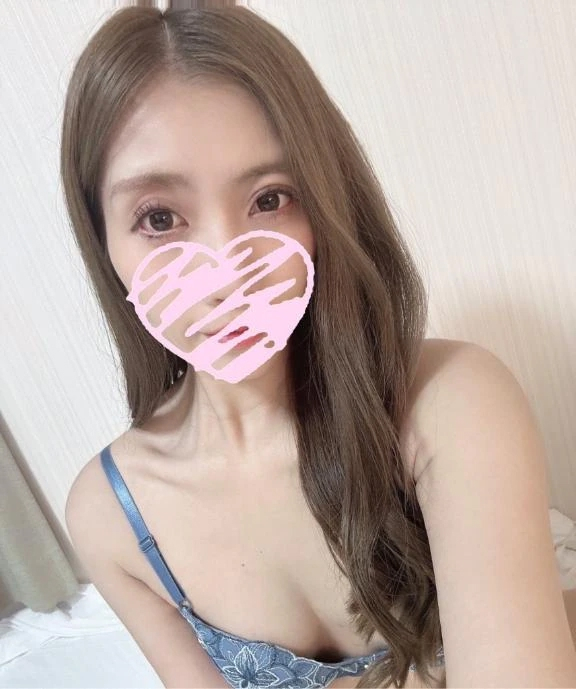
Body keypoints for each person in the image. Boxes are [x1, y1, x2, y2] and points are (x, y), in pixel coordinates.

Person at [61, 5, 576, 689]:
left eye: (270, 199)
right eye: (160, 218)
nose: (227, 270)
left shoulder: (452, 401)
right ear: (104, 240)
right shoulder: (113, 517)